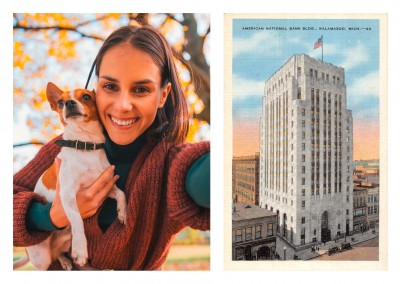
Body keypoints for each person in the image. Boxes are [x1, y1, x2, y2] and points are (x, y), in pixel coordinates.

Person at [13, 25, 210, 270]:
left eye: (141, 89)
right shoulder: (60, 149)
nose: (122, 105)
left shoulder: (170, 163)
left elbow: (204, 178)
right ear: (96, 89)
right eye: (110, 86)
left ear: (162, 95)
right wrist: (50, 216)